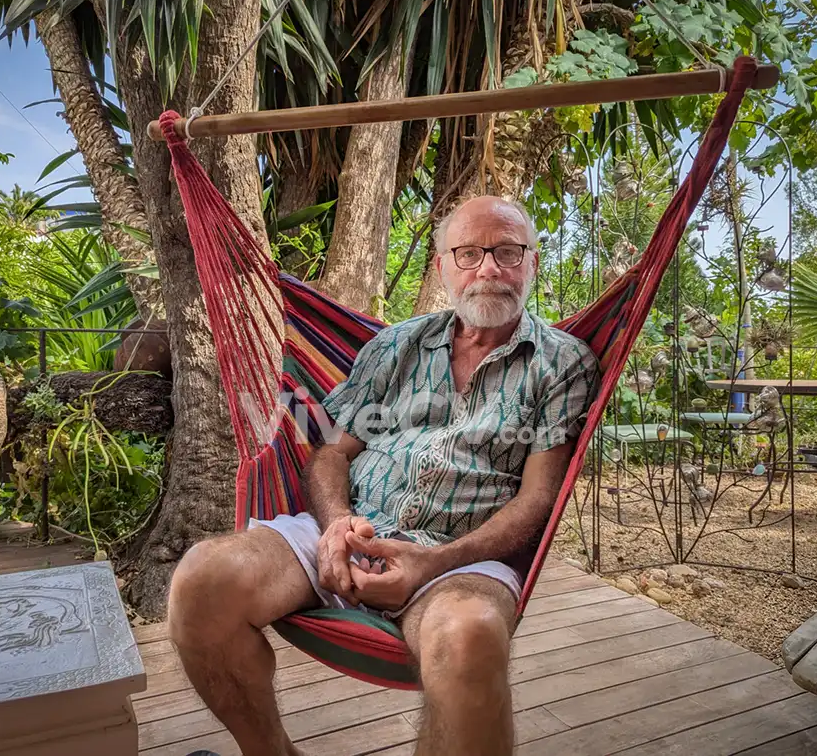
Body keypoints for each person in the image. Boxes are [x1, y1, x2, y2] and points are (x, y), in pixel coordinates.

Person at [168, 195, 600, 756]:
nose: (489, 268)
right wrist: (338, 527)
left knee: (469, 639)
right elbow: (330, 453)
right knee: (203, 579)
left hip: (460, 556)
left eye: (508, 252)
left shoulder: (563, 364)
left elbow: (539, 498)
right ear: (442, 265)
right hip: (352, 526)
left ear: (532, 264)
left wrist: (435, 561)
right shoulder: (396, 345)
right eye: (468, 253)